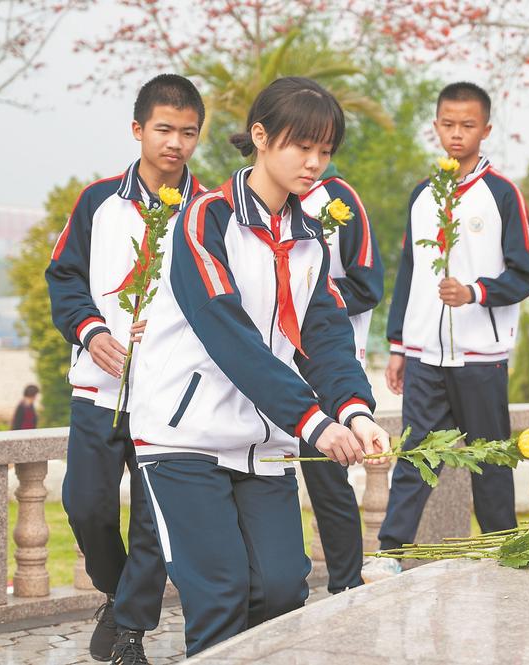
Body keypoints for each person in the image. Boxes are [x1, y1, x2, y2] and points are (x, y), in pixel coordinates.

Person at [127, 76, 389, 657]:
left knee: (281, 592)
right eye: (303, 146)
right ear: (262, 137)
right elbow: (230, 336)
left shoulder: (310, 237)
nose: (315, 163)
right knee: (219, 595)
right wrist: (314, 422)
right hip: (185, 439)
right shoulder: (205, 220)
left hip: (264, 441)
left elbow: (325, 335)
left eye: (326, 150)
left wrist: (355, 411)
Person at [45, 74, 205, 664]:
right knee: (84, 504)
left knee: (151, 521)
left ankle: (131, 634)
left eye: (188, 132)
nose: (175, 143)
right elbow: (64, 277)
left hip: (170, 395)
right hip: (98, 387)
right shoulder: (98, 201)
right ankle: (116, 595)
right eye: (164, 129)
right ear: (138, 130)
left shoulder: (208, 211)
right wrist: (92, 332)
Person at [371, 81, 529, 574]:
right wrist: (398, 346)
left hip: (481, 356)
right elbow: (409, 274)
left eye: (468, 125)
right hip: (425, 354)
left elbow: (525, 274)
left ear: (486, 129)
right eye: (448, 124)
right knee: (415, 457)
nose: (457, 133)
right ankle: (390, 553)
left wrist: (475, 292)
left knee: (489, 460)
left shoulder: (502, 194)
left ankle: (506, 552)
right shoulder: (422, 195)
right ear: (436, 127)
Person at [298, 164, 383, 593]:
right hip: (268, 364)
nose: (310, 158)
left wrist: (308, 295)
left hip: (327, 365)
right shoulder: (245, 202)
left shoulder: (338, 197)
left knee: (329, 481)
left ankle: (346, 585)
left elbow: (368, 286)